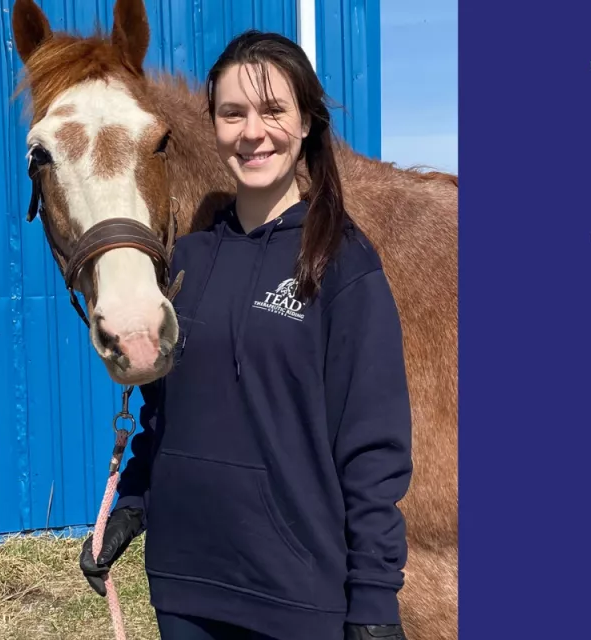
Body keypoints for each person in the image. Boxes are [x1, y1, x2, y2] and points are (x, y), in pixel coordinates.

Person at [79, 30, 414, 640]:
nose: (252, 131)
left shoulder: (341, 262)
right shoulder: (187, 261)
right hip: (185, 588)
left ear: (307, 122)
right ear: (212, 124)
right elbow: (169, 414)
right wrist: (133, 499)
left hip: (295, 598)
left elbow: (372, 448)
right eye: (232, 113)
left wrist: (373, 598)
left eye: (273, 110)